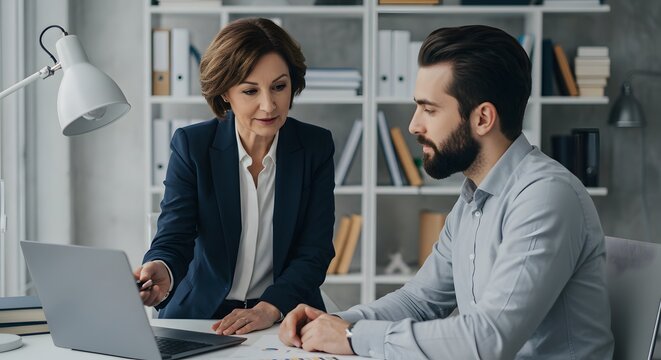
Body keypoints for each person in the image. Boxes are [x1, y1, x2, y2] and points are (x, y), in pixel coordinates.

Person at [279, 25, 614, 359]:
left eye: (429, 109)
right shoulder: (473, 199)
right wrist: (333, 323)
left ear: (482, 118)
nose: (413, 125)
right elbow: (419, 301)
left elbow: (488, 340)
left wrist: (353, 337)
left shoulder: (545, 197)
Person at [134, 17, 335, 336]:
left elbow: (316, 250)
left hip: (283, 311)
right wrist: (162, 268)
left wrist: (269, 308)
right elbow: (175, 233)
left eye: (279, 87)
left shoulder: (315, 146)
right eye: (250, 90)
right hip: (202, 311)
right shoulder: (193, 146)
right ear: (225, 92)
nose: (268, 105)